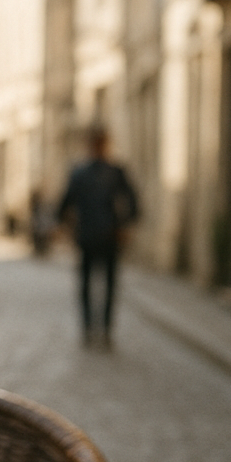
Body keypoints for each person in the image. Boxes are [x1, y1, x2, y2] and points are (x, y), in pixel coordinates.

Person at [57, 124, 139, 347]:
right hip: (87, 236)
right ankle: (87, 327)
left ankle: (105, 329)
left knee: (109, 285)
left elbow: (132, 200)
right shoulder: (79, 172)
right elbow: (65, 202)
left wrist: (125, 225)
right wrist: (64, 225)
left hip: (110, 236)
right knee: (86, 284)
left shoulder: (115, 171)